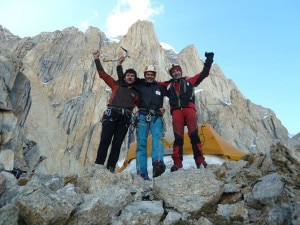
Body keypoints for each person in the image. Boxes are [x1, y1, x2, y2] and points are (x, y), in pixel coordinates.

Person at [159, 52, 214, 171]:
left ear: (181, 72)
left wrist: (209, 59)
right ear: (171, 74)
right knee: (178, 138)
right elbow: (153, 84)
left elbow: (204, 73)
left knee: (194, 136)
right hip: (177, 112)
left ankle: (200, 161)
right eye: (173, 72)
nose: (176, 73)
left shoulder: (190, 81)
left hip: (189, 110)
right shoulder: (168, 85)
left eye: (177, 71)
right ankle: (177, 164)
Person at [117, 59, 166, 180]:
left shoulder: (160, 87)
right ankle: (142, 173)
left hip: (156, 116)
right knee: (141, 144)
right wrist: (119, 65)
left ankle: (157, 163)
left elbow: (173, 95)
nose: (149, 76)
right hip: (142, 116)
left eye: (152, 74)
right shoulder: (139, 84)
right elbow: (125, 80)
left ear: (154, 75)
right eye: (148, 74)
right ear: (145, 75)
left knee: (158, 138)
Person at [92, 50, 140, 173]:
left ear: (135, 79)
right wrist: (97, 59)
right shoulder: (116, 85)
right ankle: (98, 167)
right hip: (112, 114)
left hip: (125, 118)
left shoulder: (136, 93)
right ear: (124, 77)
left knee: (117, 144)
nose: (130, 77)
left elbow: (142, 106)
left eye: (132, 76)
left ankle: (110, 169)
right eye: (128, 75)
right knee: (105, 140)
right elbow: (102, 74)